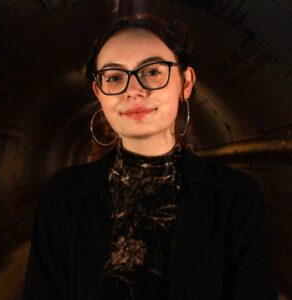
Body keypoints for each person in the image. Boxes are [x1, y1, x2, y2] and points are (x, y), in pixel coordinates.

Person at [22, 14, 278, 300]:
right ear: (99, 92)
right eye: (115, 77)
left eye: (153, 72)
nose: (133, 90)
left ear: (186, 82)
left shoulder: (236, 196)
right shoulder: (63, 195)